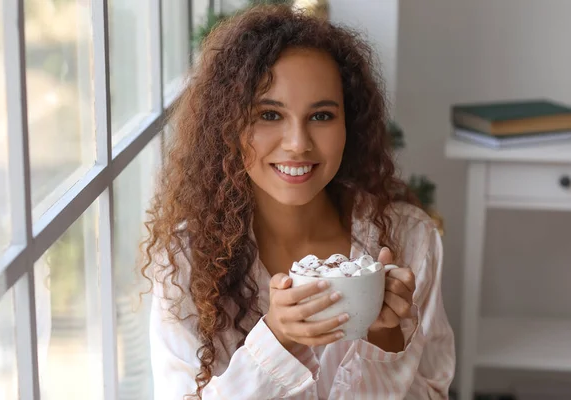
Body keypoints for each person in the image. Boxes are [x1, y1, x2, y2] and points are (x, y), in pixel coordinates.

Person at [142, 4, 455, 399]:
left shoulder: (409, 241)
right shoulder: (185, 261)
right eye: (269, 115)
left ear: (349, 125)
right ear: (227, 126)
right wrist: (276, 341)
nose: (297, 144)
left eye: (321, 116)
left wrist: (387, 340)